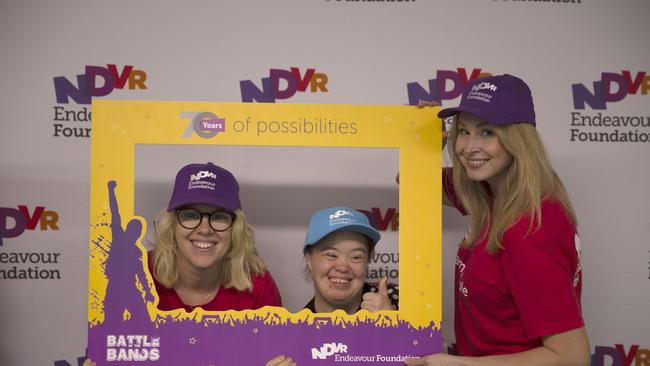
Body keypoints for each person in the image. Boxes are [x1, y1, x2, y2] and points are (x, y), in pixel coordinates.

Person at [406, 74, 589, 366]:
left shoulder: (529, 232)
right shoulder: (490, 188)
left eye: (487, 132)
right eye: (463, 131)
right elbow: (411, 181)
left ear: (518, 139)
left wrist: (462, 365)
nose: (468, 146)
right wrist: (425, 138)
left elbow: (571, 357)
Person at [302, 206, 397, 314]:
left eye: (356, 257)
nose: (343, 268)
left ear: (367, 260)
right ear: (309, 259)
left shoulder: (401, 301)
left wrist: (393, 324)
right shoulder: (295, 327)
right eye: (331, 255)